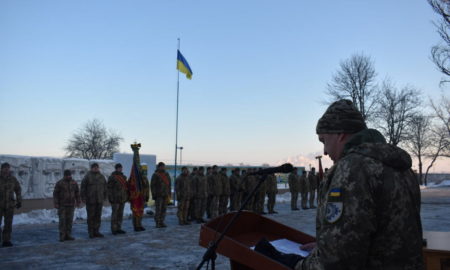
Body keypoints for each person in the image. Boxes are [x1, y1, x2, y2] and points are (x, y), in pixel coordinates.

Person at [294, 99, 424, 269]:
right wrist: (326, 247)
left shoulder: (351, 169)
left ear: (340, 134)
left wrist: (299, 265)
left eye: (323, 140)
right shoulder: (401, 168)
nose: (325, 151)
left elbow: (339, 261)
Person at [81, 163, 107, 238]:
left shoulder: (102, 177)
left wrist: (105, 196)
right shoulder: (87, 177)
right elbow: (83, 188)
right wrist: (83, 198)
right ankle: (91, 232)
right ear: (91, 168)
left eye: (97, 167)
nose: (96, 169)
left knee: (98, 216)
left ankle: (97, 231)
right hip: (90, 200)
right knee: (91, 217)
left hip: (99, 200)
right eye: (94, 167)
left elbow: (105, 187)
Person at [53, 170, 81, 241]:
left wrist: (78, 201)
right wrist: (56, 203)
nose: (68, 176)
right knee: (62, 221)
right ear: (64, 175)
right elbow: (55, 194)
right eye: (67, 175)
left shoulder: (74, 183)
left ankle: (68, 235)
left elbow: (77, 192)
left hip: (71, 205)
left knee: (69, 221)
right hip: (62, 205)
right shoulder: (60, 183)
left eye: (69, 175)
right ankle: (62, 236)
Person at [0, 163, 22, 247]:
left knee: (8, 223)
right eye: (4, 168)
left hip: (9, 204)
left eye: (7, 168)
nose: (6, 170)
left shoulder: (13, 179)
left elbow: (18, 189)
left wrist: (19, 200)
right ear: (1, 169)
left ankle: (6, 240)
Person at [107, 163, 129, 235]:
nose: (120, 169)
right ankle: (114, 229)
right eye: (119, 168)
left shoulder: (124, 177)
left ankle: (119, 228)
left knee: (120, 214)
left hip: (122, 199)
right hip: (115, 199)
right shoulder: (112, 177)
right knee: (115, 215)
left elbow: (125, 188)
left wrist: (126, 197)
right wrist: (110, 197)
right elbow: (109, 188)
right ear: (116, 169)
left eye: (121, 168)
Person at [150, 162, 171, 228]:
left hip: (165, 194)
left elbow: (169, 184)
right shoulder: (155, 175)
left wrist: (169, 193)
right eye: (161, 166)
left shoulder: (166, 174)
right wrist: (154, 195)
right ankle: (157, 223)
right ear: (158, 167)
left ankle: (162, 222)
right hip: (158, 195)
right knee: (158, 210)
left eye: (163, 166)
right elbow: (152, 186)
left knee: (164, 209)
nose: (163, 168)